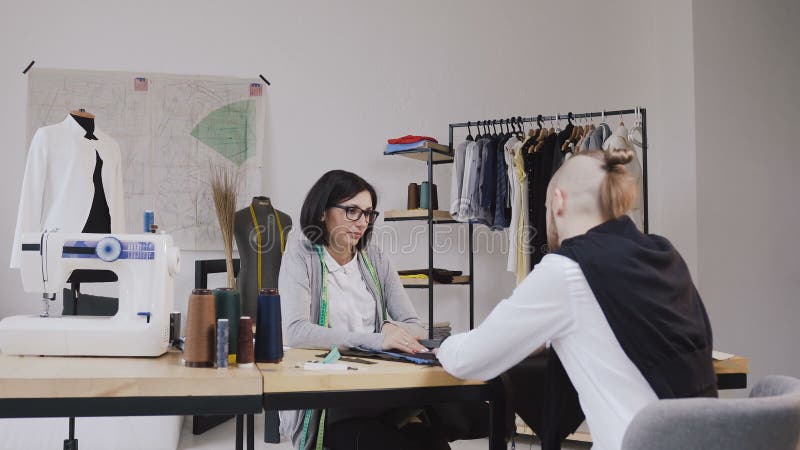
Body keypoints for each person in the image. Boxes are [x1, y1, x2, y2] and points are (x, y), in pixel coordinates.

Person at [436, 148, 717, 450]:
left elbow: (471, 360)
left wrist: (441, 346)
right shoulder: (663, 254)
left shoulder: (567, 269)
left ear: (558, 201)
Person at [279, 170, 485, 450]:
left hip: (375, 390)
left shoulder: (373, 256)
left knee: (435, 443)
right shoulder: (300, 255)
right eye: (352, 211)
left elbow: (414, 323)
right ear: (322, 212)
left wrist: (392, 328)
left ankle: (469, 416)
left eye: (368, 213)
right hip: (328, 404)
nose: (362, 222)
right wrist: (376, 339)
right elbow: (296, 332)